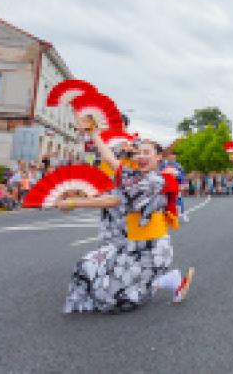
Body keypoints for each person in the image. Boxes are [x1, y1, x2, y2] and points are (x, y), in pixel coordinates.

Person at [62, 118, 194, 313]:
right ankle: (164, 280)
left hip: (152, 250)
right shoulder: (135, 177)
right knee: (87, 266)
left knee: (120, 299)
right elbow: (110, 160)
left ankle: (162, 280)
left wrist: (74, 203)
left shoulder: (156, 181)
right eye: (139, 152)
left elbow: (113, 201)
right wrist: (93, 133)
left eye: (146, 152)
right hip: (133, 246)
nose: (140, 156)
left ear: (159, 158)